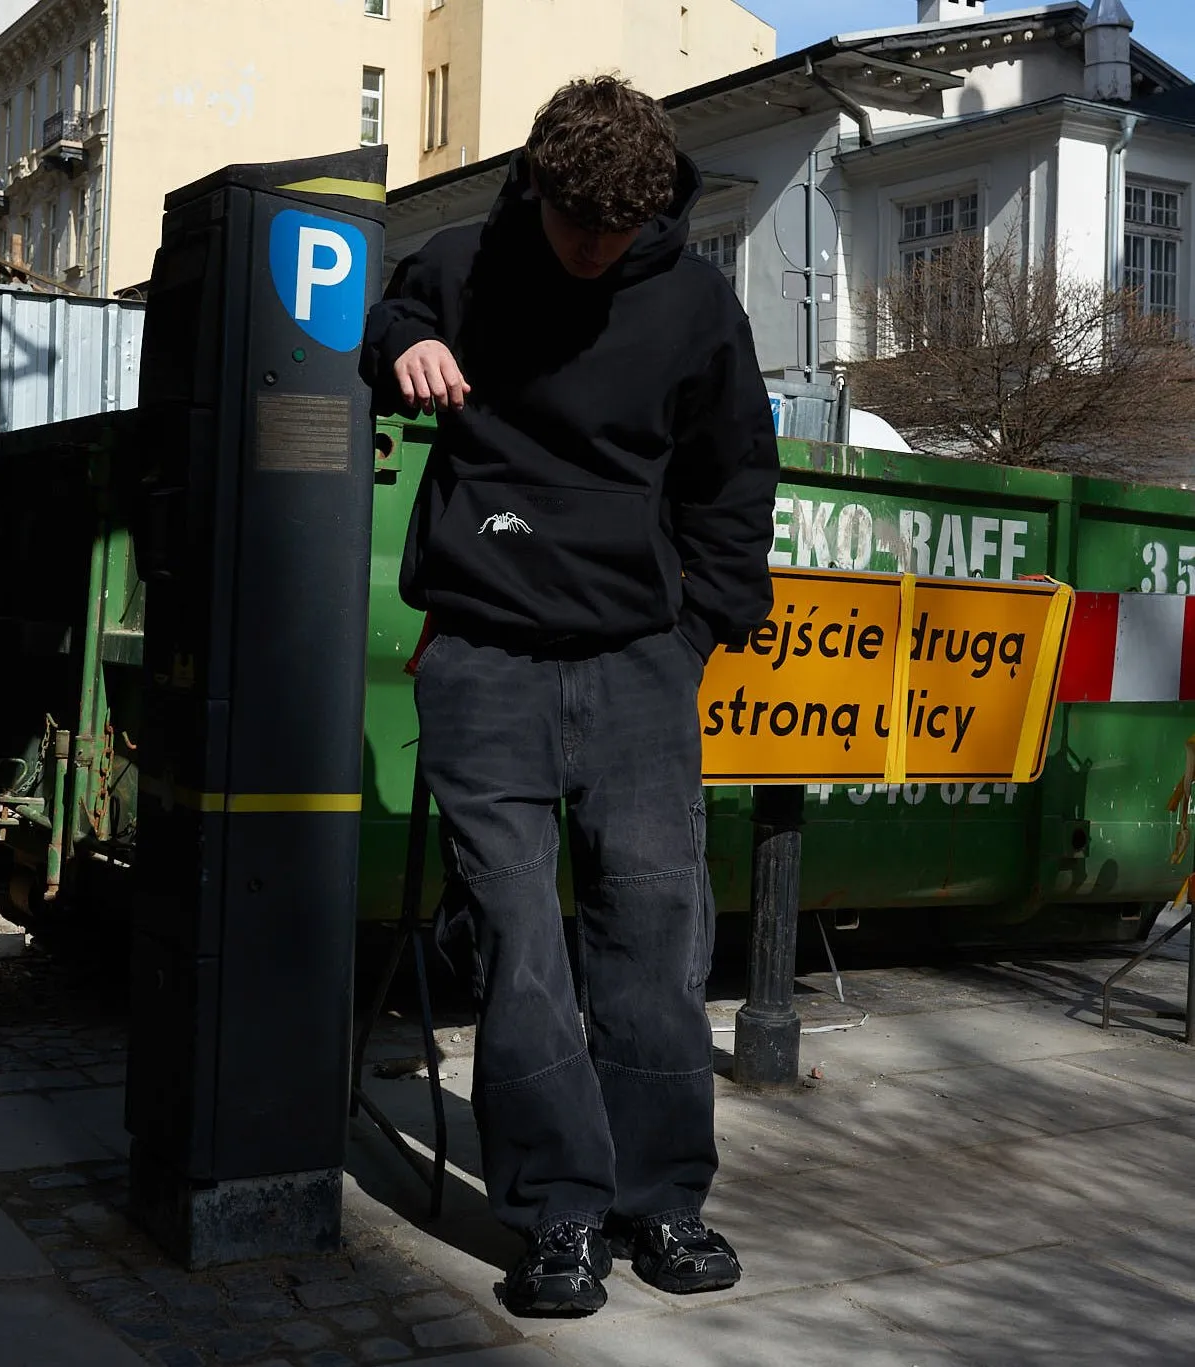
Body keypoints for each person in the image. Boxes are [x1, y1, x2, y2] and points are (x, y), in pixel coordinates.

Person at [360, 74, 779, 1317]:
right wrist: (402, 343)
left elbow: (730, 479)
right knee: (521, 947)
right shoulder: (463, 262)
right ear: (534, 187)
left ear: (652, 208)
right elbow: (375, 322)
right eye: (573, 228)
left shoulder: (695, 301)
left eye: (617, 233)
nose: (593, 254)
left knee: (653, 940)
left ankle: (662, 1199)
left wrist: (698, 627)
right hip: (485, 656)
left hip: (640, 661)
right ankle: (556, 1214)